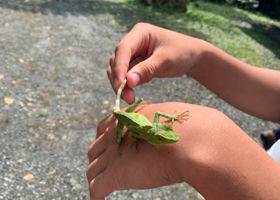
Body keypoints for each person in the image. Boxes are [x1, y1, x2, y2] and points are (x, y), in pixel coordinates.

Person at [87, 23, 280, 200]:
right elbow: (137, 131)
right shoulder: (149, 132)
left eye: (163, 138)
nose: (167, 139)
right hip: (128, 118)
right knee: (120, 136)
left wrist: (209, 146)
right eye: (162, 138)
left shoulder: (153, 131)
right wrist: (199, 56)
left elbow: (149, 126)